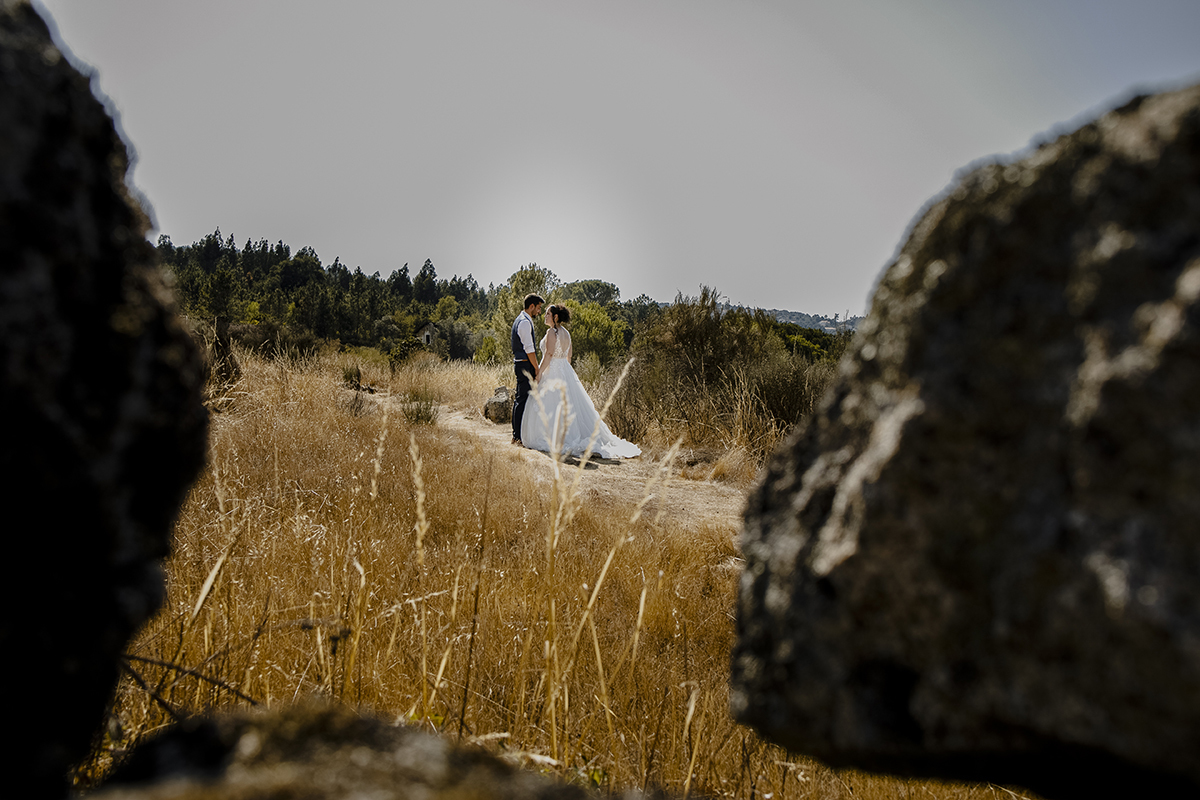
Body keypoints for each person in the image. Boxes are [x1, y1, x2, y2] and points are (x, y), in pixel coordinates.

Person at [521, 304, 640, 459]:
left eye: (548, 313)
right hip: (564, 370)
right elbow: (568, 357)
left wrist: (539, 372)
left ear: (555, 317)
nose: (545, 316)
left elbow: (549, 354)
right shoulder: (567, 334)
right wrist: (565, 373)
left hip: (553, 370)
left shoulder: (551, 332)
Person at [511, 293, 544, 446]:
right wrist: (536, 368)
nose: (539, 311)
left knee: (521, 399)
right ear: (531, 306)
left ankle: (519, 435)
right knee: (522, 400)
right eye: (538, 308)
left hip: (521, 363)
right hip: (525, 364)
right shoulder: (524, 322)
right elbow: (529, 350)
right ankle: (517, 437)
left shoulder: (521, 319)